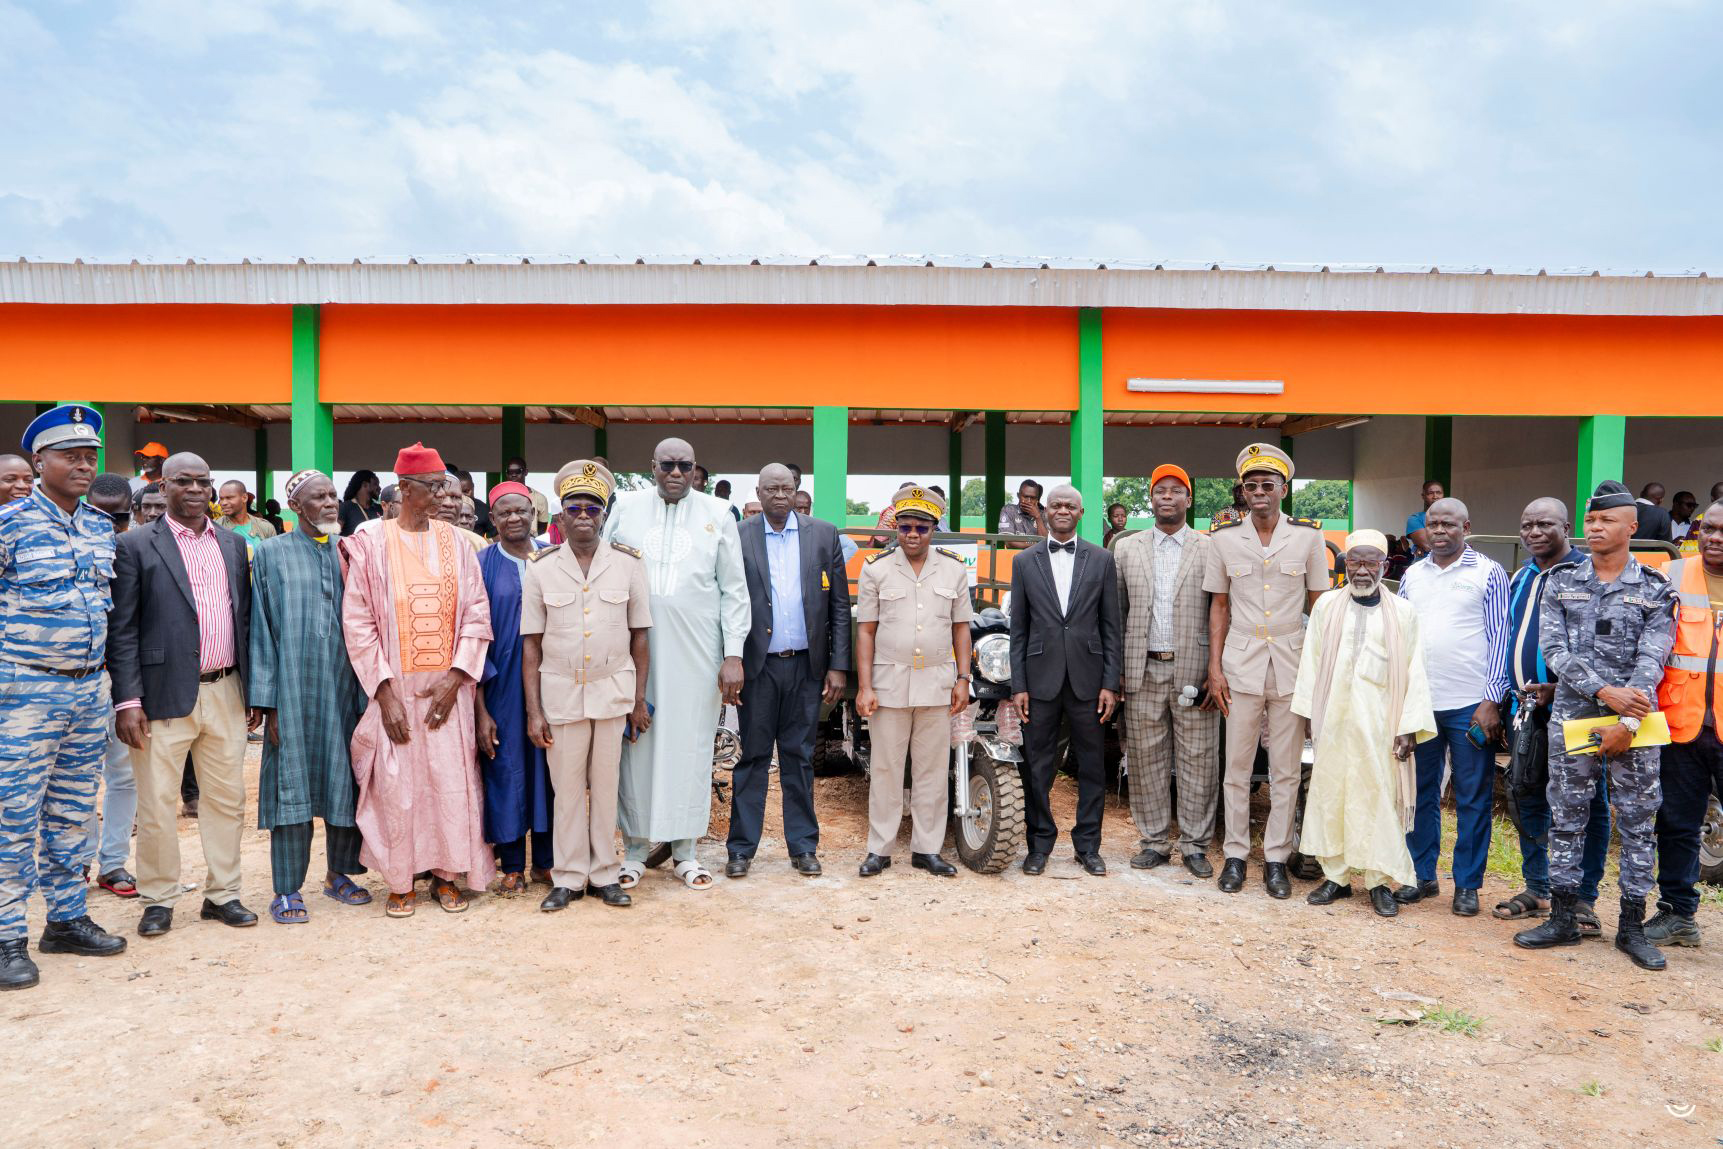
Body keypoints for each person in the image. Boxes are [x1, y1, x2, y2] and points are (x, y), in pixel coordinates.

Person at [1514, 481, 1675, 970]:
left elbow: (1655, 656)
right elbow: (1555, 652)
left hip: (1638, 723)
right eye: (1590, 520)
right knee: (1567, 816)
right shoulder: (1562, 582)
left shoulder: (1654, 588)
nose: (1595, 528)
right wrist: (1606, 693)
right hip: (1576, 718)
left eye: (1606, 521)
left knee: (1637, 822)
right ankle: (1563, 917)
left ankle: (1630, 927)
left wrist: (1627, 716)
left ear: (1632, 526)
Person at [0, 406, 127, 991]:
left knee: (74, 810)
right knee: (13, 816)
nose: (83, 463)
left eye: (90, 455)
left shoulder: (102, 528)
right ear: (38, 462)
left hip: (86, 689)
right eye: (69, 455)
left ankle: (67, 919)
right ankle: (6, 937)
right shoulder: (10, 524)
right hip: (23, 690)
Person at [342, 444, 494, 917]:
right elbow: (359, 621)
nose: (442, 496)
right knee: (397, 789)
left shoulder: (457, 544)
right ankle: (401, 880)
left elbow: (476, 614)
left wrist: (455, 680)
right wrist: (384, 694)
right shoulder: (371, 543)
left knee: (451, 784)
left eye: (444, 486)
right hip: (396, 691)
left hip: (448, 692)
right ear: (405, 489)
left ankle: (448, 877)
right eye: (433, 487)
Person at [110, 451, 258, 937]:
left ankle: (224, 894)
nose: (195, 490)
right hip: (159, 697)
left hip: (225, 689)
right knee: (155, 803)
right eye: (184, 481)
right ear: (164, 486)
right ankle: (158, 898)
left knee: (226, 799)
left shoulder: (234, 546)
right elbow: (124, 629)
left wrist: (252, 689)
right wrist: (128, 701)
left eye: (203, 481)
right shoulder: (135, 545)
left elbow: (243, 621)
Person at [603, 438, 749, 892]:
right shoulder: (625, 507)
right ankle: (633, 852)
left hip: (698, 654)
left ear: (694, 470)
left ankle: (685, 852)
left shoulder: (718, 514)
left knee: (690, 749)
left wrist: (733, 655)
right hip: (633, 651)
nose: (675, 473)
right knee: (634, 749)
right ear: (652, 467)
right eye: (667, 464)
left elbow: (734, 590)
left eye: (684, 466)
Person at [523, 461, 652, 910]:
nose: (583, 516)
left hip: (612, 691)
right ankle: (569, 875)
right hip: (560, 694)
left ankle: (605, 874)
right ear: (559, 517)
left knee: (607, 784)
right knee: (567, 790)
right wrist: (533, 710)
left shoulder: (629, 565)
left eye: (592, 508)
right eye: (574, 508)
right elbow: (531, 645)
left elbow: (640, 636)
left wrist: (638, 701)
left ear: (603, 514)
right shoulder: (538, 569)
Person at [1203, 443, 1329, 898]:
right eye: (1251, 485)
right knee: (1236, 768)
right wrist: (1214, 669)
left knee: (1286, 770)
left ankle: (1276, 857)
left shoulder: (1309, 538)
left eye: (1267, 485)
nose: (1259, 492)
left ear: (1283, 489)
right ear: (1243, 491)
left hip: (1292, 665)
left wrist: (1319, 670)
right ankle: (1236, 855)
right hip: (1240, 664)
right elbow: (1219, 607)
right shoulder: (1222, 538)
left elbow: (1321, 606)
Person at [1292, 530, 1436, 917]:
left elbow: (1415, 672)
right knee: (1331, 794)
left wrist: (1408, 726)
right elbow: (1311, 660)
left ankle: (1377, 882)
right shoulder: (1326, 607)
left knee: (1379, 799)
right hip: (1334, 720)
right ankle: (1335, 878)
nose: (1361, 570)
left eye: (1371, 562)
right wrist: (1307, 714)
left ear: (1384, 566)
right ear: (1344, 564)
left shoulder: (1403, 613)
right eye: (1354, 561)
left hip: (1380, 725)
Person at [248, 470, 369, 924]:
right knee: (291, 785)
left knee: (347, 778)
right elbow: (259, 626)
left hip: (346, 688)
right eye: (319, 497)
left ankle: (340, 873)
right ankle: (286, 889)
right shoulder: (270, 554)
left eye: (334, 495)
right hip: (293, 689)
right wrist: (268, 701)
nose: (331, 503)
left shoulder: (348, 552)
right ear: (296, 507)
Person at [1492, 498, 1612, 937]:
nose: (1534, 532)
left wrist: (1562, 690)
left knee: (1589, 801)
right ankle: (1539, 886)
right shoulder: (1522, 576)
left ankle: (1583, 897)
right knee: (1527, 793)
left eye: (1545, 523)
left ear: (1567, 527)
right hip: (1524, 709)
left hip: (1578, 708)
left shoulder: (1588, 574)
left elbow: (1605, 652)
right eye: (1527, 525)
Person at [727, 464, 852, 878]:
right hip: (758, 667)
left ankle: (803, 848)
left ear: (798, 491)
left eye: (787, 488)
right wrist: (730, 660)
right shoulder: (739, 535)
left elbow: (837, 605)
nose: (780, 495)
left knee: (799, 757)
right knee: (754, 758)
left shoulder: (823, 534)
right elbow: (726, 600)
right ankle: (741, 850)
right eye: (771, 489)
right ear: (758, 493)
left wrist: (837, 665)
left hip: (806, 667)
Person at [1391, 497, 1510, 916]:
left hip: (1470, 705)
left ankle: (1467, 885)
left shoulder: (1489, 572)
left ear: (1466, 526)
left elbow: (1501, 637)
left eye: (1448, 524)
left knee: (1472, 795)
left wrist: (1491, 698)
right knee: (1419, 793)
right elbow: (1400, 637)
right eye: (1433, 524)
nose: (1439, 530)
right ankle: (1421, 876)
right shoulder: (1412, 574)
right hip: (1421, 703)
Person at [855, 484, 971, 876]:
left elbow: (961, 629)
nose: (913, 535)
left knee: (932, 771)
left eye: (921, 528)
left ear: (934, 528)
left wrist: (963, 678)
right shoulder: (875, 568)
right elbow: (866, 631)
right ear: (896, 528)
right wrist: (865, 686)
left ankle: (927, 849)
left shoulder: (954, 568)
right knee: (886, 769)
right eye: (905, 527)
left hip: (938, 684)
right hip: (888, 684)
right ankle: (880, 849)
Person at [1009, 483, 1121, 876]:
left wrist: (1110, 683)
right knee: (1037, 766)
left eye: (1069, 506)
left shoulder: (1103, 559)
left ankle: (1088, 846)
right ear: (1046, 510)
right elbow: (1018, 629)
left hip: (1089, 682)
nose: (1061, 510)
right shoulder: (1024, 562)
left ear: (1081, 513)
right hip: (1039, 681)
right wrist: (1017, 685)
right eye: (1055, 504)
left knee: (1092, 766)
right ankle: (1038, 845)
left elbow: (1111, 627)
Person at [1114, 464, 1218, 877]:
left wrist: (1216, 668)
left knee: (1199, 758)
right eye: (1160, 491)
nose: (1167, 497)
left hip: (1194, 669)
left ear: (1188, 500)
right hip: (1143, 669)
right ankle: (1154, 842)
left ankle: (1194, 846)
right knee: (1145, 759)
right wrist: (1117, 670)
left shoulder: (1210, 549)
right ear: (1151, 499)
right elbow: (1116, 613)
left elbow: (1220, 612)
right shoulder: (1126, 548)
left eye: (1176, 491)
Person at [1645, 497, 1723, 949]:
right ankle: (1677, 915)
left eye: (1722, 532)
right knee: (1676, 823)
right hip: (1681, 725)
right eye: (1706, 528)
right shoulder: (1672, 576)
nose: (1713, 538)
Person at [475, 483, 554, 897]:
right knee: (505, 768)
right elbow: (471, 638)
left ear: (534, 513)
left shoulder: (553, 558)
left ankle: (545, 861)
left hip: (552, 682)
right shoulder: (482, 563)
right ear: (493, 519)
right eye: (504, 513)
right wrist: (480, 709)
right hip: (500, 683)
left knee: (548, 770)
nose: (513, 519)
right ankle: (512, 864)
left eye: (521, 511)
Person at [80, 474, 141, 899]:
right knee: (78, 777)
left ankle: (114, 862)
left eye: (118, 516)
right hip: (77, 682)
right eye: (99, 514)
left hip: (123, 683)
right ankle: (77, 861)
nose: (109, 523)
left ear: (130, 512)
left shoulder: (138, 549)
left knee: (124, 777)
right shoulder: (72, 544)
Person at [216, 479, 277, 544]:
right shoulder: (214, 528)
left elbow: (274, 553)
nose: (223, 503)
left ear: (244, 498)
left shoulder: (266, 527)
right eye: (221, 499)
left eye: (229, 498)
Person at [503, 456, 551, 532]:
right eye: (510, 472)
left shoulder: (539, 498)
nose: (513, 475)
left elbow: (542, 530)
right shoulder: (500, 498)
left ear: (526, 472)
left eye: (518, 471)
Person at [998, 480, 1048, 548]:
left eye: (1033, 498)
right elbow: (1009, 543)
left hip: (1038, 558)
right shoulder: (1009, 510)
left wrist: (1037, 516)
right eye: (1025, 496)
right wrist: (1037, 545)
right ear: (1018, 495)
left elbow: (1046, 543)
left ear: (1037, 499)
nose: (1029, 501)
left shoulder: (1043, 515)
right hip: (1015, 557)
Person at [1405, 480, 1444, 558]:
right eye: (1430, 493)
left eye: (1439, 493)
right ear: (1423, 496)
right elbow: (1428, 546)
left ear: (1443, 495)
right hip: (1425, 565)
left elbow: (1460, 541)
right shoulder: (1415, 519)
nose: (1435, 496)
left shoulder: (1452, 517)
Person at [338, 469, 382, 536]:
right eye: (375, 484)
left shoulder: (380, 509)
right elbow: (333, 537)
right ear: (365, 485)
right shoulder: (344, 508)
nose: (379, 488)